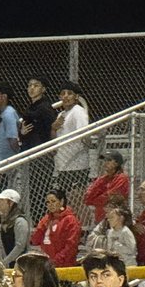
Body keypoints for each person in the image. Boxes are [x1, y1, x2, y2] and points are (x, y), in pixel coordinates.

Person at [20, 78, 57, 220]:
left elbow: (51, 129)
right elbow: (26, 130)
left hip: (42, 155)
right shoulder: (32, 107)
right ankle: (37, 221)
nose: (32, 88)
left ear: (43, 89)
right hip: (31, 152)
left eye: (36, 85)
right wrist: (22, 132)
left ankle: (42, 220)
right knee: (34, 190)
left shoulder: (45, 107)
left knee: (41, 190)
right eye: (29, 85)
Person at [51, 81, 90, 209]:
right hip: (63, 165)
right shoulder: (61, 115)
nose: (66, 96)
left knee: (77, 201)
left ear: (76, 97)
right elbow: (55, 141)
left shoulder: (78, 111)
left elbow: (83, 133)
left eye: (69, 93)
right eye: (63, 93)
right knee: (65, 202)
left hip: (77, 165)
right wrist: (53, 128)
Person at [31, 189, 81, 268]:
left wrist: (55, 261)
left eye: (53, 201)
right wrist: (42, 226)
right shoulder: (46, 219)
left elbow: (71, 246)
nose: (50, 205)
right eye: (48, 202)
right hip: (46, 264)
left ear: (61, 202)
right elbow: (35, 240)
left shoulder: (70, 220)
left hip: (63, 265)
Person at [0, 188, 30, 265]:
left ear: (11, 203)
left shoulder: (20, 221)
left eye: (1, 200)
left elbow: (20, 246)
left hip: (15, 264)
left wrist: (5, 262)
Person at [83, 152, 131, 226]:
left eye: (109, 160)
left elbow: (110, 198)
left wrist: (96, 200)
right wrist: (101, 182)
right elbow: (88, 199)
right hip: (100, 220)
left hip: (116, 220)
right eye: (105, 160)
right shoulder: (102, 179)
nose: (105, 163)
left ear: (116, 163)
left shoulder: (122, 178)